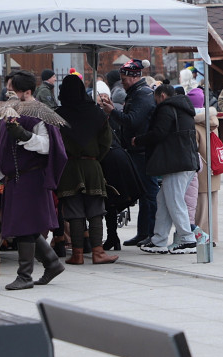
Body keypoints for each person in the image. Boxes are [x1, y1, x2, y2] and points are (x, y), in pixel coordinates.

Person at [0, 70, 67, 290]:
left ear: (27, 92)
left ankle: (25, 276)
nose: (9, 93)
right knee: (23, 226)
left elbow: (49, 147)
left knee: (25, 226)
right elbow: (4, 151)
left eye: (13, 90)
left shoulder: (41, 114)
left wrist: (26, 136)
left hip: (33, 178)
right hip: (15, 180)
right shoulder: (10, 112)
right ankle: (52, 263)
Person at [55, 74, 116, 266]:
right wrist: (95, 158)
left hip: (69, 167)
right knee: (95, 210)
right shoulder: (97, 113)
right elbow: (107, 142)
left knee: (74, 212)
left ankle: (78, 255)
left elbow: (54, 145)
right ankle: (98, 252)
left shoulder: (58, 115)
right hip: (92, 166)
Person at [134, 83, 200, 254]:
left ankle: (187, 239)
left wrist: (139, 140)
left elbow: (159, 133)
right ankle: (159, 239)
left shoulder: (166, 108)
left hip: (175, 163)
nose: (155, 102)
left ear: (162, 95)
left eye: (156, 98)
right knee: (163, 201)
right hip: (186, 160)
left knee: (174, 201)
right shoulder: (184, 108)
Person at [100, 59, 158, 247]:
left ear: (134, 77)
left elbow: (133, 121)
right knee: (143, 193)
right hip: (136, 150)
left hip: (141, 151)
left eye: (124, 79)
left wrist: (112, 111)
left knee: (148, 193)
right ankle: (143, 232)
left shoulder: (142, 95)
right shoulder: (136, 93)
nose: (122, 83)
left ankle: (151, 232)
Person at [194, 106, 222, 243]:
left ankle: (202, 236)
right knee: (213, 206)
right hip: (214, 170)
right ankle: (213, 237)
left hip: (201, 172)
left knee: (200, 208)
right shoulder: (214, 123)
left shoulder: (196, 126)